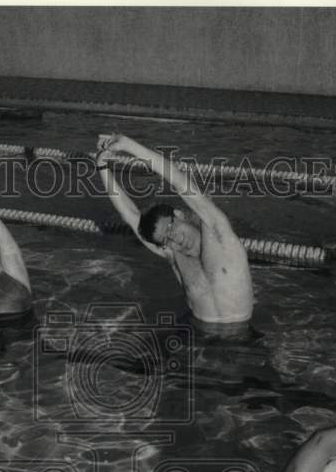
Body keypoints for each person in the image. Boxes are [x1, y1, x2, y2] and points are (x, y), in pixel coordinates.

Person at [95, 133, 254, 337]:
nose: (175, 239)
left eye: (172, 228)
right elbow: (131, 215)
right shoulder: (173, 255)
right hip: (199, 335)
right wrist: (102, 167)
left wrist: (128, 145)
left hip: (244, 336)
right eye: (167, 239)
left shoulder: (218, 233)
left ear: (178, 215)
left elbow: (179, 182)